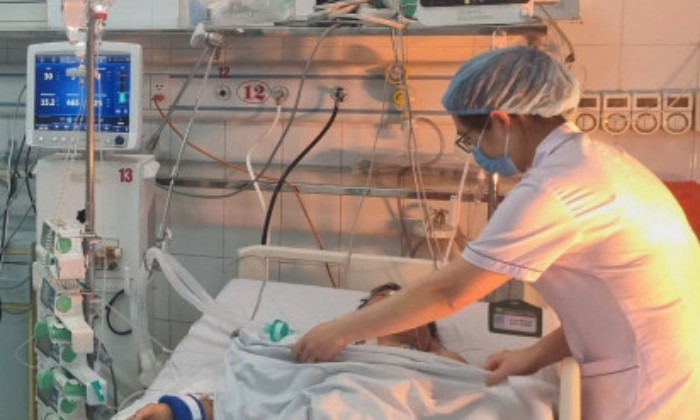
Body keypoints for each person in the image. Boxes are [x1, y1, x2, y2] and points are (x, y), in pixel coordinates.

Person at [291, 46, 700, 419]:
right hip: (659, 362)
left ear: (502, 121)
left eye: (471, 139)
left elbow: (447, 292)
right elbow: (610, 306)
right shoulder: (600, 163)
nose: (476, 154)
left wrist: (341, 330)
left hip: (649, 388)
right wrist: (534, 354)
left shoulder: (555, 189)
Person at [128, 283, 467, 420]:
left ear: (429, 337)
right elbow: (264, 389)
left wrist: (434, 357)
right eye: (379, 303)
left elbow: (467, 394)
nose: (389, 306)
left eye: (402, 305)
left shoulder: (434, 362)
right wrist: (180, 411)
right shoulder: (332, 347)